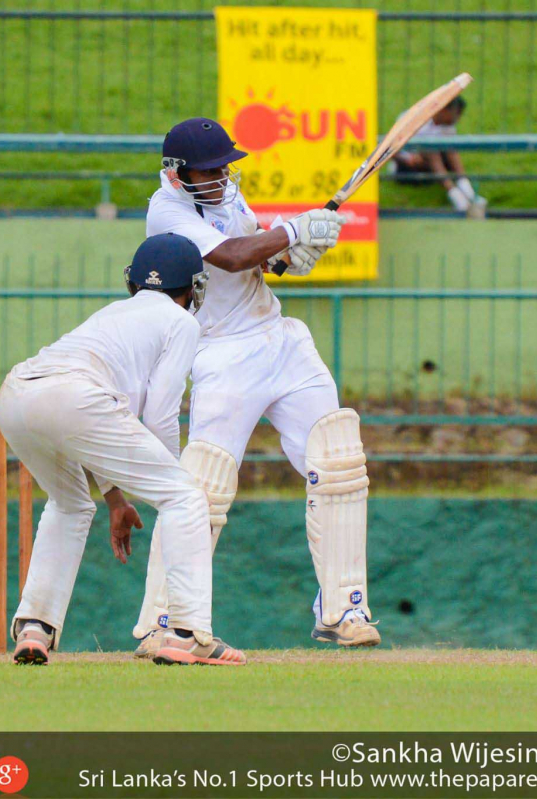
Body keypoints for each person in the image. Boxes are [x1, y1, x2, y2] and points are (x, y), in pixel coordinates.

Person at [133, 117, 379, 656]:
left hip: (281, 338)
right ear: (175, 174)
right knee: (202, 487)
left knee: (338, 460)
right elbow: (229, 256)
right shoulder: (167, 211)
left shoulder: (224, 197)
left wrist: (290, 256)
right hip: (221, 352)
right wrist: (292, 230)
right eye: (210, 171)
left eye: (225, 167)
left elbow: (255, 260)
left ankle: (344, 608)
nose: (222, 177)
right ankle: (163, 620)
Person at [0, 233, 245, 667]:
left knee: (70, 504)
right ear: (193, 287)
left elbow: (100, 422)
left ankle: (35, 627)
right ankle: (188, 634)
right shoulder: (182, 322)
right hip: (75, 397)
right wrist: (168, 485)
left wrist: (115, 498)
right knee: (186, 497)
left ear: (134, 281)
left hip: (16, 395)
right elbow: (159, 415)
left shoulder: (113, 312)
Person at [390, 96, 487, 213]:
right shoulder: (412, 118)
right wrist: (408, 158)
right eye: (456, 114)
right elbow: (390, 149)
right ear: (444, 109)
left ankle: (466, 189)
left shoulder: (447, 127)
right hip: (407, 168)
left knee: (450, 146)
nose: (457, 119)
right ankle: (455, 195)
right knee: (430, 148)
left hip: (431, 168)